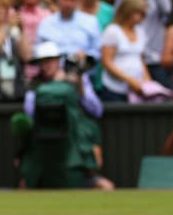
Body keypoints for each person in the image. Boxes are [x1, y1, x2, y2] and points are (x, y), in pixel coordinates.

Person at [18, 41, 113, 190]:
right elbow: (29, 112)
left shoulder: (76, 79)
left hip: (73, 144)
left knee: (105, 186)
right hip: (43, 147)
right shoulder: (34, 86)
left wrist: (78, 84)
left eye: (49, 60)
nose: (46, 65)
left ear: (58, 61)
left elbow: (97, 110)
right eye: (42, 62)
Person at [99, 0, 149, 104]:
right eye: (140, 13)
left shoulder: (140, 31)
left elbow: (140, 60)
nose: (143, 17)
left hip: (137, 90)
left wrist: (147, 82)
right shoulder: (112, 31)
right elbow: (106, 61)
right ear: (129, 12)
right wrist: (129, 80)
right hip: (115, 88)